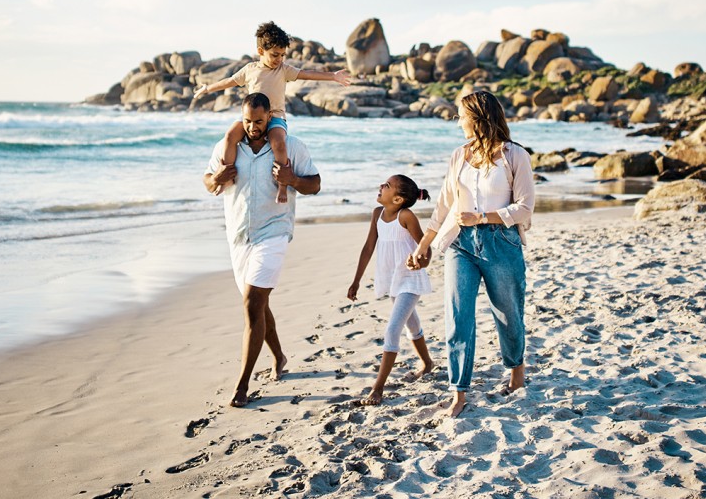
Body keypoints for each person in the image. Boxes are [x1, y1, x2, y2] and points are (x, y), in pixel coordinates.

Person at [407, 91, 535, 418]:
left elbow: (524, 208)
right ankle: (459, 391)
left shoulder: (515, 155)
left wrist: (483, 218)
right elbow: (444, 205)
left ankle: (516, 371)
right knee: (458, 315)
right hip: (461, 243)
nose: (457, 121)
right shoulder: (459, 156)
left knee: (508, 314)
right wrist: (424, 244)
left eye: (461, 115)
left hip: (500, 243)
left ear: (478, 117)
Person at [202, 92, 321, 408]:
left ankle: (242, 385)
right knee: (258, 305)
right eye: (247, 121)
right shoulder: (228, 147)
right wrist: (216, 178)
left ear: (270, 116)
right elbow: (207, 180)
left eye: (258, 121)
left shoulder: (290, 145)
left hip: (274, 233)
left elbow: (316, 184)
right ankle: (279, 356)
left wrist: (292, 178)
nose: (252, 127)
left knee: (253, 302)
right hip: (239, 236)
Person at [194, 21, 356, 203]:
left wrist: (333, 76)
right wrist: (207, 88)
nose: (279, 59)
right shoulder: (250, 70)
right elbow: (229, 81)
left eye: (282, 55)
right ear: (261, 51)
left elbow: (307, 74)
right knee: (230, 136)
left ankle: (282, 187)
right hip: (252, 118)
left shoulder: (283, 70)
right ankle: (226, 177)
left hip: (276, 117)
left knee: (278, 143)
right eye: (275, 55)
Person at [346, 175, 437, 405]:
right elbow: (368, 247)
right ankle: (427, 363)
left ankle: (378, 388)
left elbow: (425, 249)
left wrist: (420, 263)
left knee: (392, 330)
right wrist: (356, 280)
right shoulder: (377, 214)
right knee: (412, 323)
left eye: (386, 185)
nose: (381, 186)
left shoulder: (405, 216)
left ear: (397, 199)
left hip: (410, 280)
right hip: (393, 279)